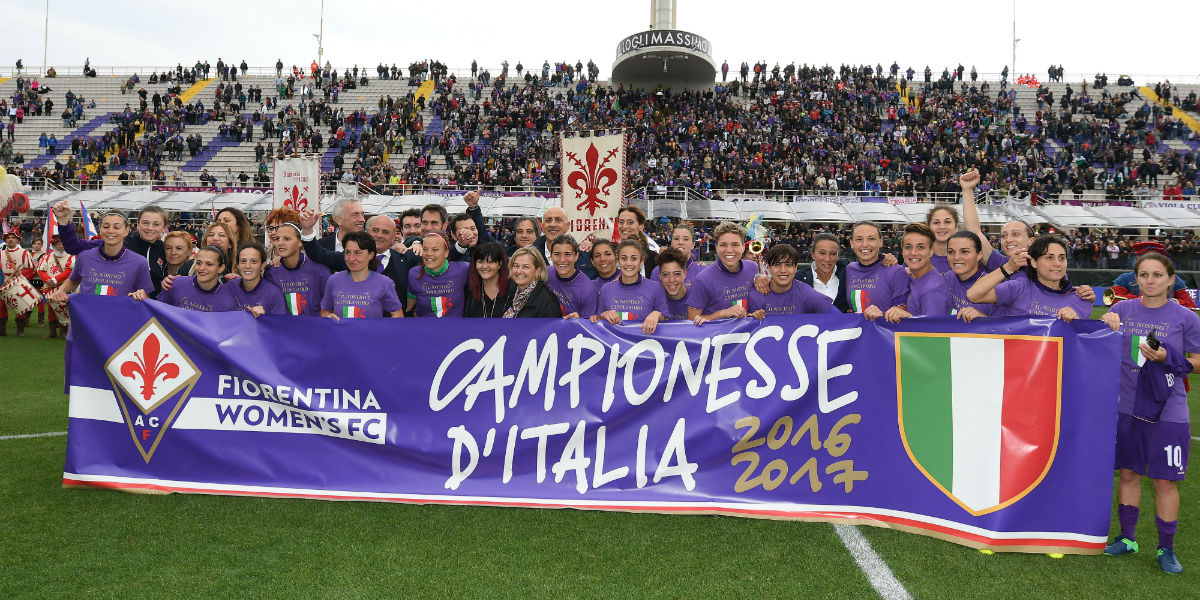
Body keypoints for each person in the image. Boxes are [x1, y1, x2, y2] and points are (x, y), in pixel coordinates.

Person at [1101, 252, 1200, 573]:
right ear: (1136, 280)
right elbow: (1098, 339)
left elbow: (1198, 361)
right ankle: (1127, 538)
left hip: (1167, 411)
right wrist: (1107, 321)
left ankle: (1166, 548)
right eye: (1144, 275)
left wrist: (1169, 359)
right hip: (1127, 407)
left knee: (1164, 480)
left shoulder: (1186, 317)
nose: (1150, 281)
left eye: (1157, 275)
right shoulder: (1122, 310)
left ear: (1171, 279)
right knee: (1129, 473)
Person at [966, 234, 1093, 320]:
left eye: (1062, 258)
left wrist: (1075, 323)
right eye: (1049, 257)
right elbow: (973, 295)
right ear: (1034, 262)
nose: (1057, 263)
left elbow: (1081, 341)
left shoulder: (1081, 300)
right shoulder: (1020, 287)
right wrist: (1008, 268)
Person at [55, 202, 168, 295]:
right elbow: (73, 247)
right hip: (126, 306)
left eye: (156, 224)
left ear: (164, 227)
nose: (150, 228)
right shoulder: (117, 241)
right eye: (145, 223)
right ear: (137, 224)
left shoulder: (166, 249)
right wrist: (63, 221)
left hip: (158, 306)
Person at [687, 221, 757, 325]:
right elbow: (691, 320)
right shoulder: (702, 280)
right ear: (716, 248)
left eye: (735, 245)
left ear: (743, 247)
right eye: (723, 245)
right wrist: (722, 313)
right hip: (716, 335)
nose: (729, 250)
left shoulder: (753, 268)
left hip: (746, 333)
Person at [320, 231, 403, 320]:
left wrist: (382, 328)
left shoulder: (385, 283)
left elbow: (398, 316)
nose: (351, 258)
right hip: (341, 330)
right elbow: (325, 312)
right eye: (347, 252)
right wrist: (328, 317)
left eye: (358, 253)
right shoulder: (334, 280)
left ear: (371, 255)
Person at [595, 240, 668, 333]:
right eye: (624, 258)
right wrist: (603, 315)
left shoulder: (656, 288)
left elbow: (667, 322)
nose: (628, 263)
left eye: (634, 259)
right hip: (615, 341)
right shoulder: (606, 289)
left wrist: (657, 314)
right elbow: (598, 321)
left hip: (645, 341)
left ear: (641, 261)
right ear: (617, 261)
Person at [886, 223, 951, 322]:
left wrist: (909, 318)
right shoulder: (914, 276)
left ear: (931, 251)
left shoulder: (933, 290)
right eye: (908, 247)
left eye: (920, 247)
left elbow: (935, 329)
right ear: (902, 251)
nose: (913, 253)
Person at [747, 244, 833, 317]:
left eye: (788, 265)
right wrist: (753, 318)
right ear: (769, 268)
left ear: (796, 268)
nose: (783, 270)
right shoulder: (756, 294)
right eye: (777, 264)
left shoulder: (806, 292)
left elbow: (835, 314)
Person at [845, 221, 910, 320]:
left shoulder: (896, 272)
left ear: (880, 242)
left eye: (871, 239)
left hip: (886, 330)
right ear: (851, 243)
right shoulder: (849, 269)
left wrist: (881, 318)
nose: (865, 244)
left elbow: (900, 314)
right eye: (859, 239)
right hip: (857, 330)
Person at [265, 222, 330, 316]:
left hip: (314, 325)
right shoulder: (271, 271)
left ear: (300, 242)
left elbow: (329, 306)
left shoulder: (319, 269)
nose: (280, 243)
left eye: (287, 239)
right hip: (282, 324)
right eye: (277, 239)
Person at [1108, 241, 1198, 309]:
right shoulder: (1125, 278)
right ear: (1137, 258)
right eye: (1142, 257)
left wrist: (1170, 303)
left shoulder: (1174, 278)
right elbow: (1112, 300)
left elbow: (1190, 306)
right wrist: (1145, 300)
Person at [155, 246, 238, 312]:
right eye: (199, 263)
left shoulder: (228, 299)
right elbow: (157, 312)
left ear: (221, 268)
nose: (201, 268)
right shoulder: (175, 284)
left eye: (209, 264)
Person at [408, 232, 469, 318]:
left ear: (446, 252)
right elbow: (408, 307)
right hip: (425, 325)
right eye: (425, 249)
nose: (429, 253)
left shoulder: (463, 269)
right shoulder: (414, 273)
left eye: (435, 249)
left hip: (455, 326)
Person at [943, 231, 994, 323]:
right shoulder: (948, 277)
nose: (956, 257)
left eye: (964, 252)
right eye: (951, 252)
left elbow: (1007, 326)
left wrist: (983, 319)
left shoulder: (993, 286)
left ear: (979, 255)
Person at [545, 234, 598, 319]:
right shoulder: (545, 273)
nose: (562, 260)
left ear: (576, 256)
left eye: (567, 254)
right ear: (551, 256)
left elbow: (588, 325)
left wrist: (579, 321)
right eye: (557, 254)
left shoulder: (588, 290)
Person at [228, 243, 286, 317]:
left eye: (254, 261)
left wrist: (264, 318)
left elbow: (280, 322)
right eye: (243, 261)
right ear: (238, 265)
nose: (247, 266)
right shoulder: (231, 286)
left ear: (263, 265)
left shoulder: (274, 293)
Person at [797, 232, 850, 313]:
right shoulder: (798, 279)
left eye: (833, 254)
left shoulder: (847, 272)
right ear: (812, 254)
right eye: (822, 253)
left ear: (838, 255)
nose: (827, 259)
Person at [503, 247, 562, 318]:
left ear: (537, 271)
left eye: (525, 267)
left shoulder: (548, 301)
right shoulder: (510, 292)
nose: (519, 271)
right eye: (516, 266)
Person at [36, 235, 73, 338]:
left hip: (64, 287)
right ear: (53, 245)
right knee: (51, 308)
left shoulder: (71, 256)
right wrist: (48, 281)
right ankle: (52, 332)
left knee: (64, 308)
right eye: (58, 243)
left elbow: (69, 271)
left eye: (63, 242)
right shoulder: (46, 257)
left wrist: (55, 280)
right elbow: (41, 270)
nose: (61, 244)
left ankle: (64, 331)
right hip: (50, 286)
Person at [464, 242, 513, 318]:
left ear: (500, 264)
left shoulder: (513, 289)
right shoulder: (469, 290)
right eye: (480, 261)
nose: (485, 266)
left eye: (491, 262)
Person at [1, 229, 35, 336]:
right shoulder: (1, 253)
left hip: (18, 281)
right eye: (8, 238)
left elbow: (31, 268)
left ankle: (20, 330)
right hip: (3, 281)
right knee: (1, 305)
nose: (10, 239)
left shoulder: (24, 252)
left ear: (18, 240)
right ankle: (2, 330)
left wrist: (20, 272)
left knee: (19, 305)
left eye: (13, 238)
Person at [615, 206, 657, 275]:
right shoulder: (610, 254)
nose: (624, 226)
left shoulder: (653, 258)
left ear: (641, 226)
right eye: (621, 222)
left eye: (630, 222)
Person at [655, 249, 693, 321]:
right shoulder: (654, 300)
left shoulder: (696, 297)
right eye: (666, 274)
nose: (671, 280)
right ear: (660, 276)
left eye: (677, 274)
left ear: (684, 274)